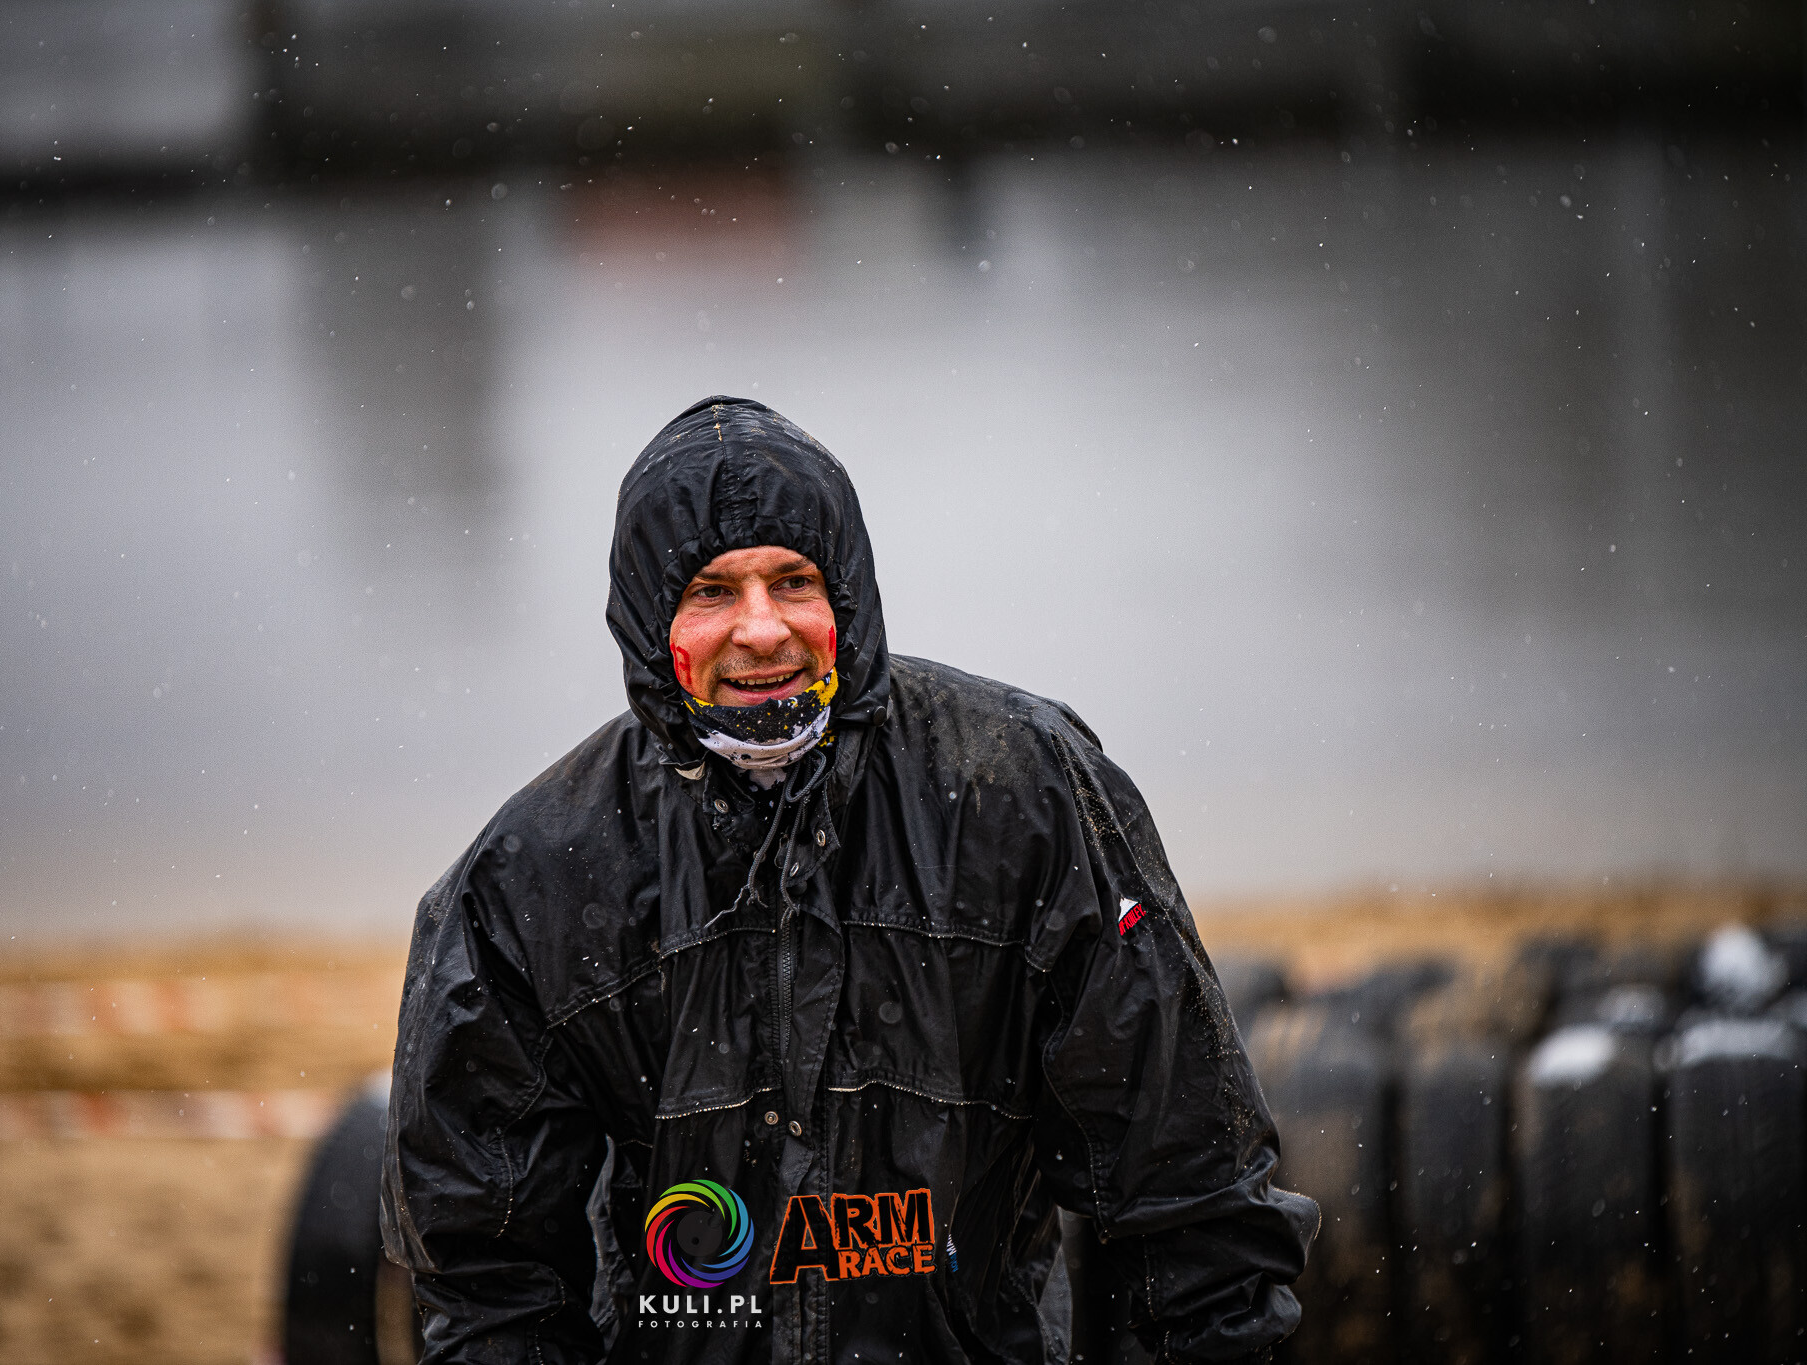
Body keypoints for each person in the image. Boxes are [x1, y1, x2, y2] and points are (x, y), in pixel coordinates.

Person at [383, 396, 1316, 1365]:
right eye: (711, 591)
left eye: (793, 581)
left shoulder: (1026, 799)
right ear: (647, 619)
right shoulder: (531, 877)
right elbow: (486, 1277)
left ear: (850, 601)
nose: (760, 630)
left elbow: (1193, 1195)